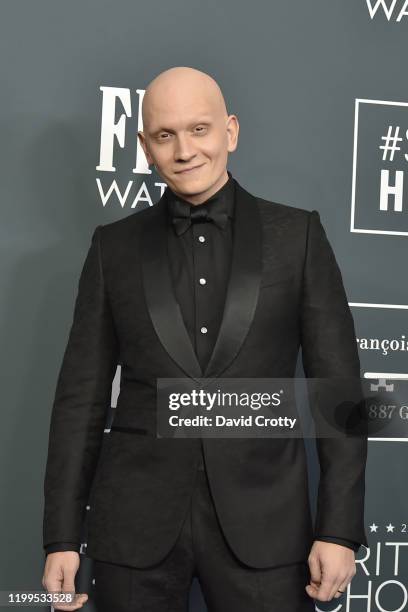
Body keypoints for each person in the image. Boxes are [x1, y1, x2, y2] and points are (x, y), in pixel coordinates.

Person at [42, 66, 368, 611]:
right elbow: (80, 399)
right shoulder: (112, 249)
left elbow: (342, 393)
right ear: (145, 146)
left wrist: (338, 530)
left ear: (230, 132)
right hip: (133, 532)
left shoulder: (298, 237)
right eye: (165, 135)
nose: (185, 150)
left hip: (266, 532)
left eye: (199, 129)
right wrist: (61, 537)